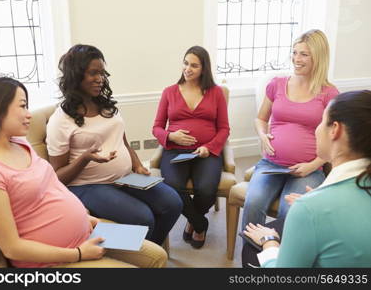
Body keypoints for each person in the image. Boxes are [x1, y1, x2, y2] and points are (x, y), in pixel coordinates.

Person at [0, 75, 167, 268]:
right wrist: (78, 253)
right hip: (58, 259)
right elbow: (12, 248)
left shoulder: (19, 144)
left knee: (158, 256)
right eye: (23, 106)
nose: (28, 114)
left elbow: (49, 191)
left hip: (87, 232)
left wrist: (87, 219)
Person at [46, 44, 182, 246]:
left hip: (125, 177)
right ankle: (138, 255)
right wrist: (85, 158)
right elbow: (56, 177)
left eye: (102, 73)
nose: (100, 79)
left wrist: (136, 164)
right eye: (93, 73)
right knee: (143, 218)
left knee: (173, 203)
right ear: (76, 76)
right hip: (88, 186)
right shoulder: (61, 120)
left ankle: (150, 255)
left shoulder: (107, 106)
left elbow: (123, 141)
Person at [243, 90, 371, 267]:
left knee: (251, 251)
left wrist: (270, 242)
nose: (317, 129)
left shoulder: (309, 209)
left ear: (335, 130)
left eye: (321, 122)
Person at [241, 29, 339, 231]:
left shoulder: (329, 93)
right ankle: (252, 261)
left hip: (307, 170)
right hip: (271, 163)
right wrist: (262, 135)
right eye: (294, 52)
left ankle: (279, 258)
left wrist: (313, 165)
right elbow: (261, 119)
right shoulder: (276, 84)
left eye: (304, 54)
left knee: (291, 212)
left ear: (318, 57)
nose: (296, 59)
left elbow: (336, 141)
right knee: (253, 204)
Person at [152, 46, 230, 248]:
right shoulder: (169, 92)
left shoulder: (216, 93)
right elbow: (157, 128)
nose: (188, 69)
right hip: (175, 151)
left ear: (204, 69)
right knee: (171, 188)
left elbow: (224, 129)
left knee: (206, 189)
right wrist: (171, 136)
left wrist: (209, 147)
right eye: (186, 63)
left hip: (206, 152)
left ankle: (193, 220)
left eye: (194, 65)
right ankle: (200, 223)